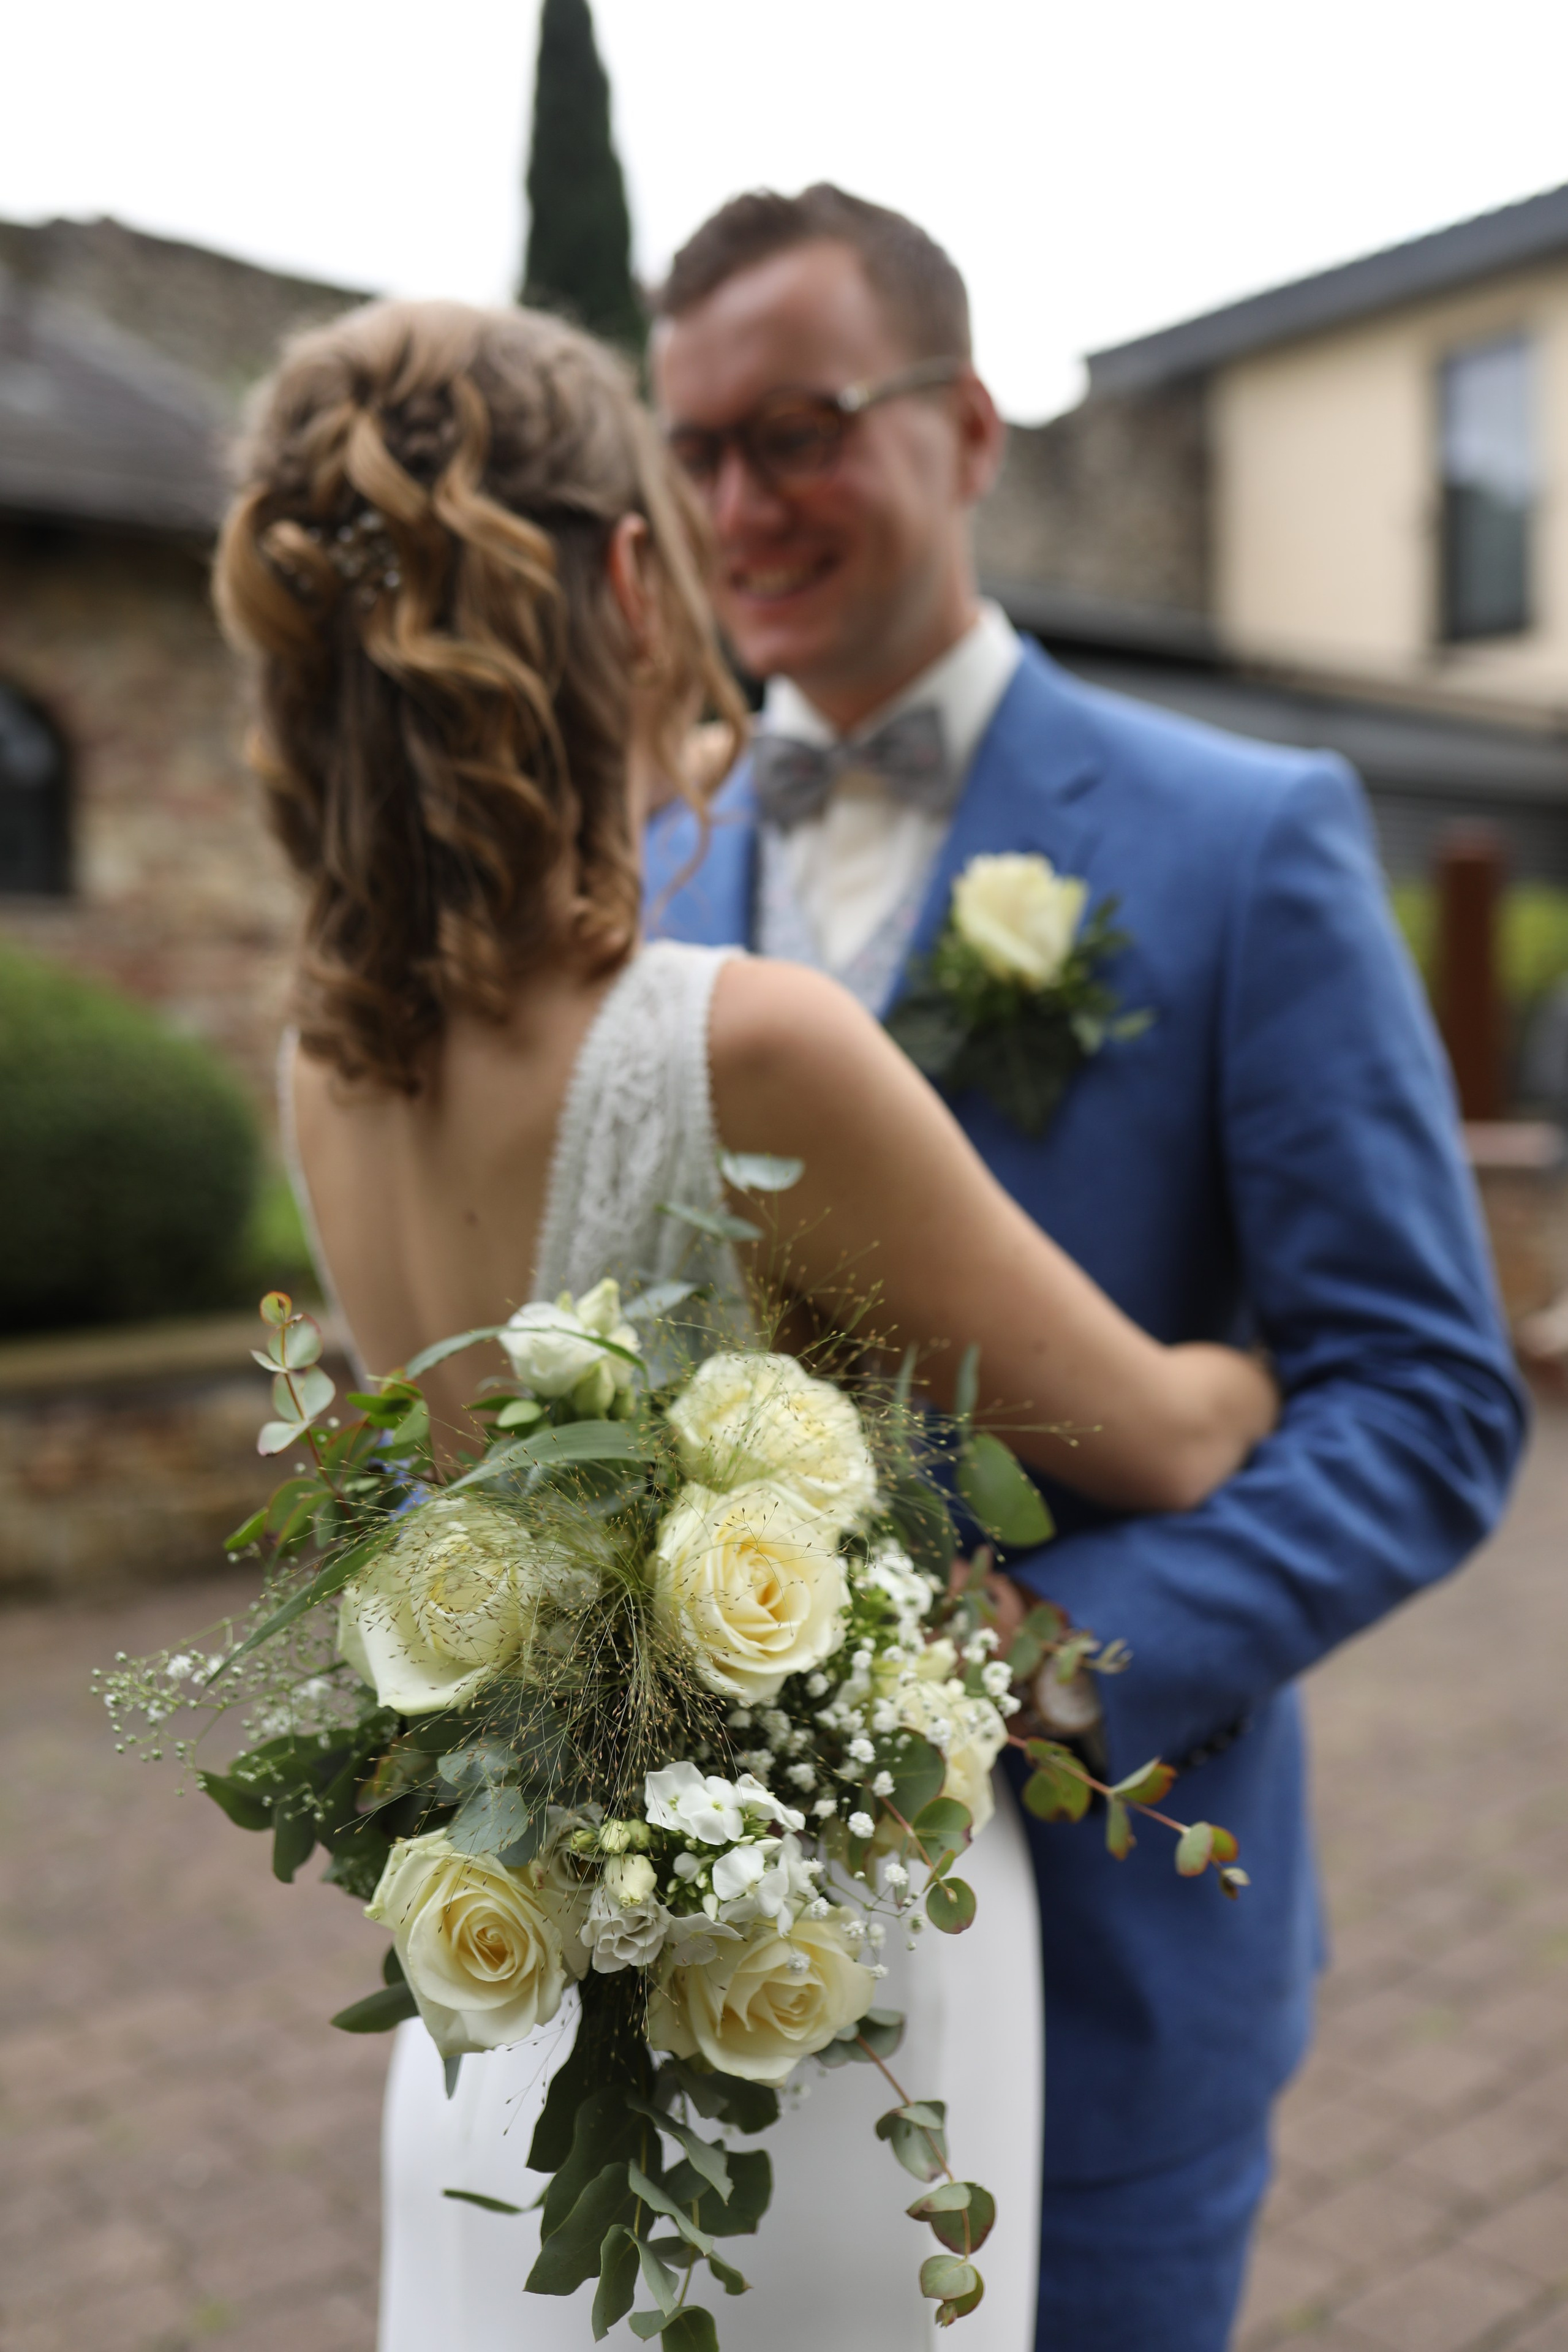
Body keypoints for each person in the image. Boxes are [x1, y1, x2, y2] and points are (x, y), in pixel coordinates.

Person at [214, 298, 1278, 2351]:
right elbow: (1147, 1440)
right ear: (630, 575)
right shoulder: (746, 1046)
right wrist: (1254, 1364)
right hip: (794, 2002)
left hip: (518, 1990)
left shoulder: (325, 1061)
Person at [643, 184, 1528, 2351]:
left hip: (1112, 1942)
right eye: (700, 453)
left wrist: (1038, 1670)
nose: (739, 503)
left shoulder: (1252, 836)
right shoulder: (657, 868)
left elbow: (1427, 1398)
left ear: (964, 427)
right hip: (698, 1971)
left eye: (799, 428)